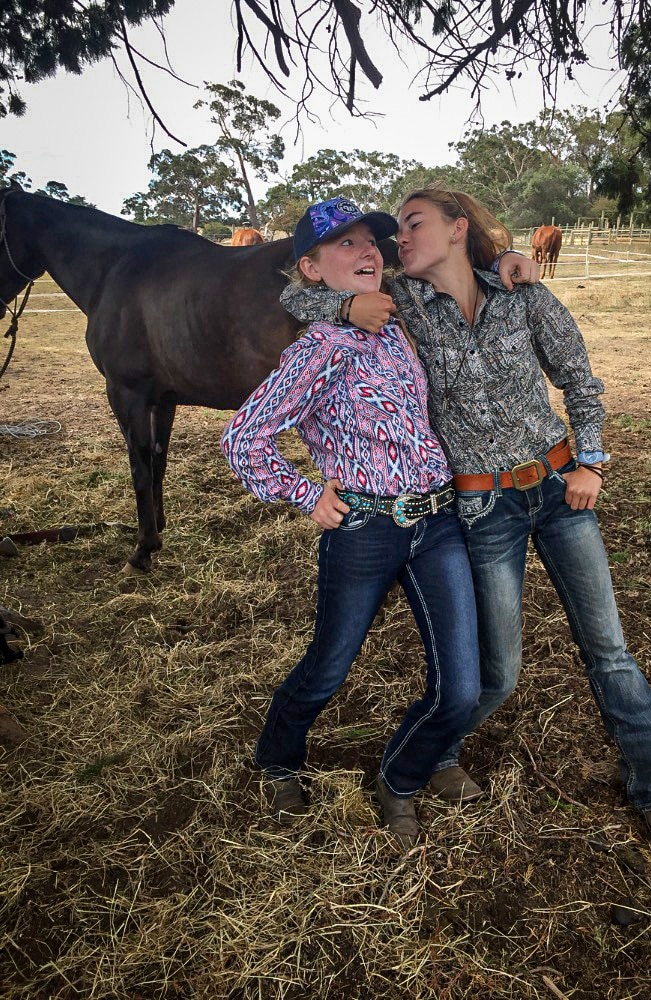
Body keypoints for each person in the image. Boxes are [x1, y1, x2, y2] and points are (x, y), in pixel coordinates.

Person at [281, 186, 651, 849]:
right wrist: (344, 303)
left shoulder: (521, 293)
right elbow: (296, 298)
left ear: (456, 230)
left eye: (413, 224)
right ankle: (429, 759)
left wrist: (590, 460)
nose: (398, 241)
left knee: (610, 653)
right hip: (482, 510)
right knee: (497, 674)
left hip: (561, 491)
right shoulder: (404, 309)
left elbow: (579, 378)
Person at [221, 196, 483, 849]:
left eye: (371, 240)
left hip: (437, 521)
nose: (367, 251)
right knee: (329, 667)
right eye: (346, 245)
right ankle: (278, 757)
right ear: (311, 267)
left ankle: (402, 776)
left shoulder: (395, 324)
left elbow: (455, 282)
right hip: (365, 528)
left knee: (461, 688)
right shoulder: (319, 349)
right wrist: (304, 493)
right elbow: (243, 438)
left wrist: (505, 261)